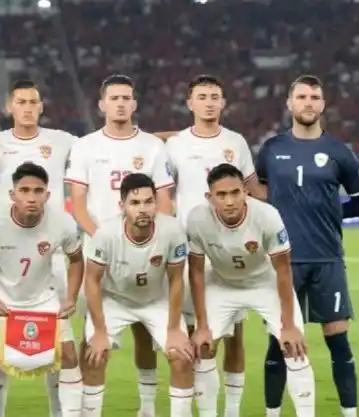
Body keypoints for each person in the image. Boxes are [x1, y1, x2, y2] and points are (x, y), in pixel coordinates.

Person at [65, 74, 173, 417]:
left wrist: (154, 238)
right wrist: (104, 241)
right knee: (93, 336)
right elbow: (78, 204)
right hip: (100, 252)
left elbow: (164, 201)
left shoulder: (152, 146)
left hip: (145, 249)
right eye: (114, 98)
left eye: (127, 98)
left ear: (135, 104)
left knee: (144, 330)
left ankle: (147, 408)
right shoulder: (86, 146)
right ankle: (88, 409)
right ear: (102, 105)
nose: (121, 103)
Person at [256, 75, 358, 417]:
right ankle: (272, 413)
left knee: (339, 343)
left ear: (323, 104)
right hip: (283, 261)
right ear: (290, 103)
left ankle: (349, 413)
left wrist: (333, 213)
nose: (308, 102)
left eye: (315, 97)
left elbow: (357, 199)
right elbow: (258, 194)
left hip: (328, 258)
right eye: (301, 96)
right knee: (279, 342)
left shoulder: (339, 152)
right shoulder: (272, 150)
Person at [164, 74, 265, 417]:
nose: (209, 102)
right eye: (202, 97)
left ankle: (232, 411)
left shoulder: (236, 142)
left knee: (235, 336)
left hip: (230, 253)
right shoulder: (175, 145)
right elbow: (163, 191)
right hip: (190, 250)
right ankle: (206, 410)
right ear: (190, 103)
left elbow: (254, 190)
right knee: (198, 336)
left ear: (223, 103)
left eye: (214, 97)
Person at [187, 163, 316, 417]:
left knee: (294, 347)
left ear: (245, 191)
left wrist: (288, 325)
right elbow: (197, 272)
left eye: (235, 192)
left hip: (264, 283)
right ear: (209, 197)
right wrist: (201, 326)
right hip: (222, 284)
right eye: (221, 195)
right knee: (203, 347)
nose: (230, 201)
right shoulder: (197, 219)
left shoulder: (267, 215)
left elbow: (283, 270)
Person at [0, 79, 79, 417]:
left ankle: (60, 412)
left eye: (33, 102)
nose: (27, 107)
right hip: (6, 252)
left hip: (51, 252)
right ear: (9, 107)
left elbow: (108, 142)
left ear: (41, 107)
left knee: (58, 346)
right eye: (21, 101)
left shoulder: (62, 141)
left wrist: (174, 137)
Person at [0, 162, 84, 417]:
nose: (31, 197)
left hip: (43, 298)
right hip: (0, 300)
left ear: (47, 195)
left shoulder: (62, 222)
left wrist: (71, 298)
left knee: (68, 356)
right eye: (24, 190)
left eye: (38, 191)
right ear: (12, 194)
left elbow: (76, 259)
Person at [83, 173, 195, 417]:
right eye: (135, 203)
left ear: (156, 203)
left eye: (148, 201)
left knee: (182, 357)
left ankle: (147, 411)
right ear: (122, 206)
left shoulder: (172, 230)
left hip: (156, 299)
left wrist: (174, 329)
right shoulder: (106, 234)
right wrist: (100, 332)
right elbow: (91, 281)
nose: (143, 209)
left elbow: (176, 280)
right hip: (115, 300)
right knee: (94, 356)